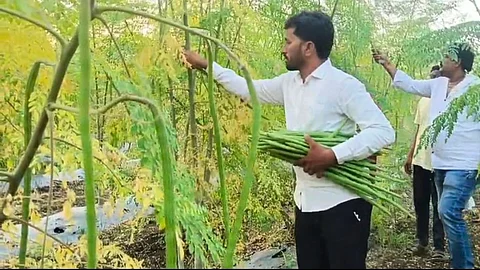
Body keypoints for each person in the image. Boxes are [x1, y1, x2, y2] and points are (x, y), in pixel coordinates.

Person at [185, 10, 395, 269]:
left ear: (308, 47)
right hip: (304, 203)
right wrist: (206, 65)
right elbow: (249, 90)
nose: (284, 49)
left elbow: (383, 131)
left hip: (342, 204)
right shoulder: (290, 84)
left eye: (288, 42)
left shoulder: (344, 85)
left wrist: (332, 155)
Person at [373, 42, 479, 269]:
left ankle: (465, 265)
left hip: (464, 164)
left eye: (447, 57)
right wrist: (387, 64)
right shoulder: (438, 84)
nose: (442, 60)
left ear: (458, 61)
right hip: (439, 162)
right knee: (449, 214)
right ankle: (456, 258)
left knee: (447, 210)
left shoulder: (475, 88)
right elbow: (409, 84)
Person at [404, 65, 446, 261]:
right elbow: (419, 130)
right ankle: (422, 242)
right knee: (420, 203)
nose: (432, 80)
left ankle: (439, 246)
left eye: (436, 77)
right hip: (420, 160)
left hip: (440, 161)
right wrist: (410, 155)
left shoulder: (449, 101)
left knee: (439, 205)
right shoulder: (423, 101)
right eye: (431, 77)